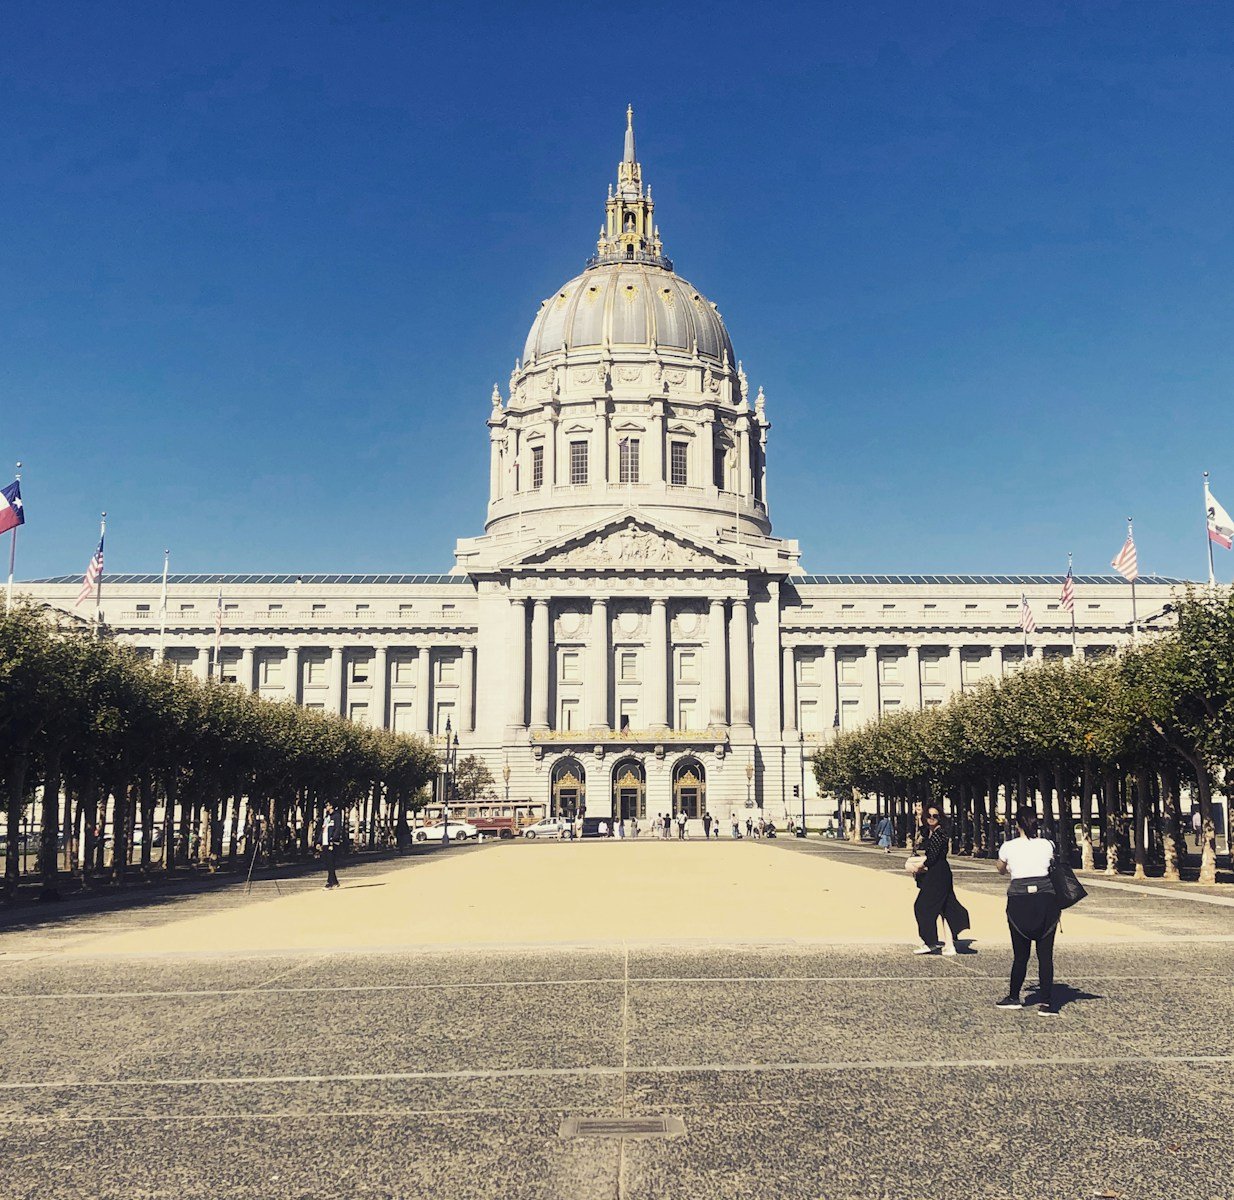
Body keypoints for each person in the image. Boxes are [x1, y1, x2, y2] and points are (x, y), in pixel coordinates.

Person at [996, 806, 1062, 1016]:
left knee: (1020, 954)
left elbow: (1001, 869)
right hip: (1046, 900)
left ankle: (1014, 996)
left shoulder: (1008, 846)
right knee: (1045, 955)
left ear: (1017, 825)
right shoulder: (1048, 844)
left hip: (1019, 900)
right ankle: (1047, 1002)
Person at [912, 805, 969, 956]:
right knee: (945, 909)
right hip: (938, 873)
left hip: (938, 874)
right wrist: (919, 816)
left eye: (935, 816)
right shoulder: (930, 832)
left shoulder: (939, 834)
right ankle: (949, 945)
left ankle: (931, 941)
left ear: (940, 818)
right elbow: (920, 833)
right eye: (929, 815)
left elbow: (932, 857)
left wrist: (918, 867)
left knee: (922, 906)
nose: (931, 818)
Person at [319, 802, 340, 889]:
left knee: (331, 862)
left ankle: (330, 882)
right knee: (327, 862)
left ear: (331, 806)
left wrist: (333, 839)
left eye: (327, 805)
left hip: (331, 842)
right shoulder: (327, 817)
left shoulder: (336, 816)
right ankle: (334, 881)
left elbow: (337, 828)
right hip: (325, 842)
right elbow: (323, 829)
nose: (326, 807)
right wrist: (319, 841)